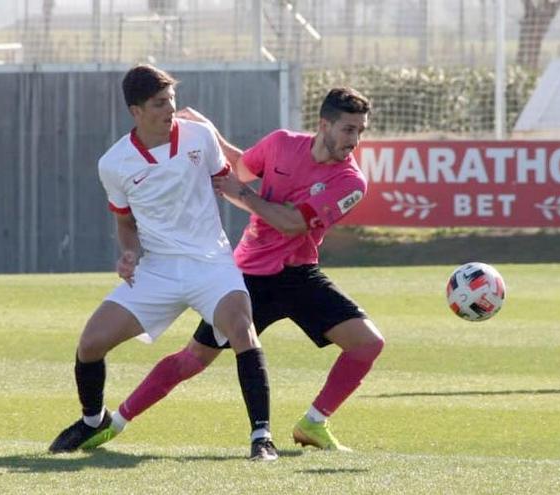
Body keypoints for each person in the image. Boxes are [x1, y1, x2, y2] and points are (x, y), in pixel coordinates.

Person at [90, 87, 384, 452]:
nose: (355, 140)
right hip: (248, 277)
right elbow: (241, 169)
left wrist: (244, 195)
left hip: (299, 276)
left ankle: (314, 421)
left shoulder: (351, 182)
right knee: (193, 359)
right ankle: (115, 422)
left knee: (368, 343)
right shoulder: (281, 143)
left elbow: (292, 222)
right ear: (324, 124)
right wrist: (212, 134)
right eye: (348, 129)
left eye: (360, 131)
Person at [47, 64, 277, 461]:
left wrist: (269, 213)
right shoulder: (114, 163)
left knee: (242, 330)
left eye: (171, 99)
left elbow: (228, 185)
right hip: (158, 270)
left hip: (210, 262)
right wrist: (130, 253)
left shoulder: (199, 136)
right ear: (136, 111)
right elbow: (124, 220)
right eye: (159, 103)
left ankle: (261, 437)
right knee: (90, 344)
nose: (170, 108)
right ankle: (92, 421)